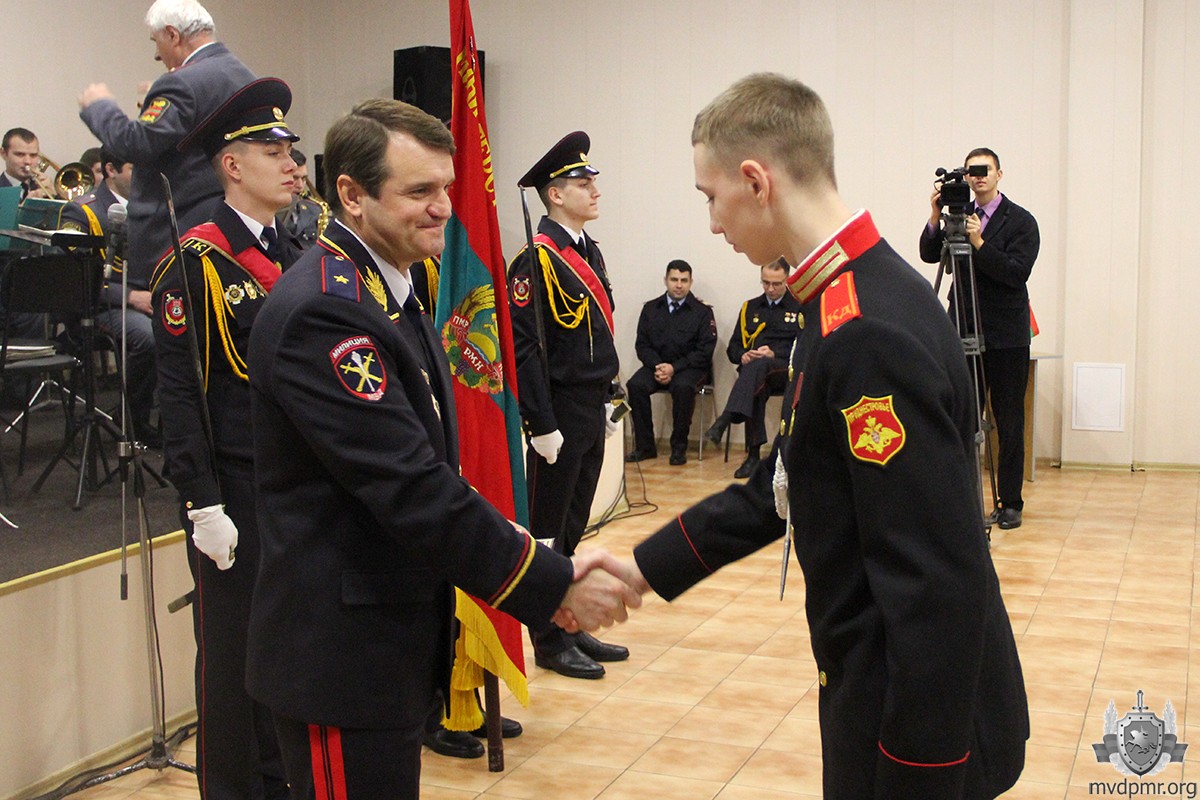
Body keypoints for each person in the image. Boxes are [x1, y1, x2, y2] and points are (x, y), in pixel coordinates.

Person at [596, 73, 1028, 799]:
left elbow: (933, 583)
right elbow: (787, 480)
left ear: (756, 181)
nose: (712, 224)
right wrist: (641, 569)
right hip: (877, 691)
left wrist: (916, 777)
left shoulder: (865, 330)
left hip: (910, 727)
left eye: (710, 197)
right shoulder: (850, 294)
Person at [244, 99, 637, 799]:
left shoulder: (389, 289)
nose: (443, 209)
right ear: (352, 195)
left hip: (387, 642)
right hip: (341, 657)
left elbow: (431, 466)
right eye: (419, 190)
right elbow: (411, 485)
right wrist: (550, 581)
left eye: (448, 188)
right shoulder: (326, 310)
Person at [149, 77, 302, 800]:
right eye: (273, 150)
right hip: (235, 488)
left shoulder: (298, 252)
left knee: (287, 652)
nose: (291, 162)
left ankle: (281, 781)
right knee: (233, 662)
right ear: (233, 165)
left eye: (290, 149)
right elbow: (180, 396)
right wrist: (201, 501)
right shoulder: (195, 263)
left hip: (294, 484)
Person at [507, 131, 629, 680]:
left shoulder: (588, 251)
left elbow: (596, 333)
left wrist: (609, 394)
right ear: (555, 195)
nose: (594, 190)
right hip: (556, 412)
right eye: (583, 182)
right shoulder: (535, 261)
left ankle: (569, 622)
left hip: (589, 405)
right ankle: (547, 636)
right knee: (548, 532)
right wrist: (540, 423)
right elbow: (526, 349)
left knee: (575, 526)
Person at [78, 0, 255, 304]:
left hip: (179, 238)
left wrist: (100, 107)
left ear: (173, 34)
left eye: (156, 41)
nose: (157, 54)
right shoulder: (244, 76)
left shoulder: (182, 82)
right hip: (231, 227)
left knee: (177, 330)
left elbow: (136, 145)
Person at [919, 148, 1040, 530]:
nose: (978, 176)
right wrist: (936, 216)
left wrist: (980, 243)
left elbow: (1016, 273)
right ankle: (962, 500)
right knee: (962, 416)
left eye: (985, 169)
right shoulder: (958, 216)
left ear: (999, 174)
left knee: (1008, 419)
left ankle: (1010, 502)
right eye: (972, 171)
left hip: (1006, 334)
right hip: (963, 326)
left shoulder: (1021, 221)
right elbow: (929, 255)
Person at [57, 149, 159, 444]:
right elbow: (76, 279)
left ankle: (178, 428)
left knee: (193, 326)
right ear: (111, 170)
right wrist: (131, 297)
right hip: (100, 305)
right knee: (150, 337)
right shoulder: (83, 211)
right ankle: (132, 419)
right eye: (135, 169)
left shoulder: (151, 207)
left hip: (149, 298)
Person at [704, 257, 801, 478]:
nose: (770, 289)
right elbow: (733, 348)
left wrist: (774, 353)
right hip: (756, 375)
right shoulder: (750, 307)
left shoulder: (799, 306)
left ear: (787, 280)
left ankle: (727, 420)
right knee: (756, 379)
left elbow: (805, 346)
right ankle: (753, 455)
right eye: (765, 283)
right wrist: (743, 355)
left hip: (786, 371)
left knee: (758, 368)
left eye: (776, 284)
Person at [625, 259, 717, 465]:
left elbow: (704, 351)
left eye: (684, 280)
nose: (679, 285)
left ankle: (678, 448)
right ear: (665, 280)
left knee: (683, 388)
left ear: (691, 282)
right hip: (656, 365)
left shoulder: (702, 312)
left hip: (689, 368)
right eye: (674, 279)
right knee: (635, 385)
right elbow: (642, 345)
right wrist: (659, 366)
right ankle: (645, 447)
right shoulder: (651, 309)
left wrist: (674, 368)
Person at [274, 147, 324, 251]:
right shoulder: (267, 213)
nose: (300, 186)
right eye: (295, 178)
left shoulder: (314, 210)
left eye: (304, 178)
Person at [0, 128, 45, 199]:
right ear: (3, 154)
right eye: (20, 154)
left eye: (33, 155)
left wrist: (56, 197)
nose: (28, 161)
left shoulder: (42, 187)